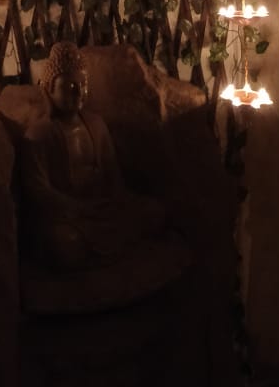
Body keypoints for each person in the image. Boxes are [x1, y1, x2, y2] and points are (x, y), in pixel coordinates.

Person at [20, 42, 169, 273]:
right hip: (68, 217)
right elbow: (39, 192)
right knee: (66, 244)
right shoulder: (40, 135)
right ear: (49, 88)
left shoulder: (96, 124)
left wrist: (114, 200)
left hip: (102, 208)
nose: (79, 93)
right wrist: (75, 208)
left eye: (83, 84)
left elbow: (113, 176)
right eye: (70, 86)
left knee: (154, 213)